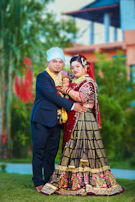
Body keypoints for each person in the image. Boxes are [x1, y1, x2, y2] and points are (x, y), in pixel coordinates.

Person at [41, 54, 124, 196]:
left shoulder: (88, 82)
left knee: (85, 151)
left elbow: (81, 98)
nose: (74, 69)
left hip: (84, 121)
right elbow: (65, 79)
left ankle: (88, 182)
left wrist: (64, 89)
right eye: (72, 67)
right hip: (74, 119)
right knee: (73, 151)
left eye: (77, 66)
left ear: (85, 67)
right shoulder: (76, 81)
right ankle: (72, 181)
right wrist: (65, 75)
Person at [30, 48, 87, 192]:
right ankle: (37, 182)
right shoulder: (42, 77)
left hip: (57, 121)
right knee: (39, 152)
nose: (57, 64)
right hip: (41, 120)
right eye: (54, 61)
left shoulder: (62, 78)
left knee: (51, 153)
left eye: (60, 62)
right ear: (48, 62)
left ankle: (49, 180)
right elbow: (52, 96)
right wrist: (73, 106)